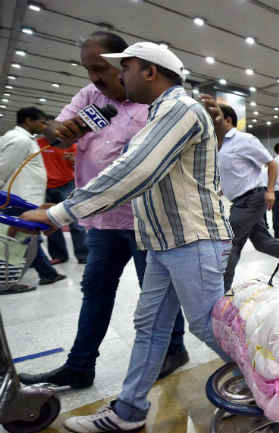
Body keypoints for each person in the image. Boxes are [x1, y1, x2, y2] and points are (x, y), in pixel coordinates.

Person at [19, 41, 233, 433]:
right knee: (150, 326)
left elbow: (135, 170)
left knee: (207, 325)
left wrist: (58, 213)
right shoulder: (159, 112)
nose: (120, 76)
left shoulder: (180, 109)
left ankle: (277, 384)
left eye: (127, 68)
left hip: (192, 238)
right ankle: (129, 410)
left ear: (149, 71)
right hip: (162, 241)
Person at [19, 32, 187, 390]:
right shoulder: (90, 97)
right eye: (88, 70)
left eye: (100, 68)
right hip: (102, 220)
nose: (94, 77)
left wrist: (59, 213)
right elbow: (58, 134)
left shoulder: (154, 102)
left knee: (154, 292)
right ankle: (80, 366)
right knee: (95, 289)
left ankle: (174, 349)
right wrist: (58, 129)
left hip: (146, 220)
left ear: (123, 64)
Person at [217, 105, 279, 292]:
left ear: (227, 120)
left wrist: (270, 191)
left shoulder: (244, 139)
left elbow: (271, 163)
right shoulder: (221, 145)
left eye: (214, 118)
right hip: (242, 200)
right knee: (261, 242)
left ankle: (221, 290)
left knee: (231, 243)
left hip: (250, 199)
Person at [0, 107, 66, 292]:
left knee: (25, 241)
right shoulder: (19, 140)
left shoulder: (25, 139)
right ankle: (7, 282)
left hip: (24, 199)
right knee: (16, 241)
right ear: (28, 120)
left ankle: (46, 273)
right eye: (41, 122)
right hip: (18, 199)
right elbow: (3, 168)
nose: (44, 126)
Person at [39, 136, 88, 264]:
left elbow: (81, 164)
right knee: (50, 221)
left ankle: (83, 255)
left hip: (66, 184)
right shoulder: (38, 144)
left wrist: (75, 160)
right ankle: (59, 255)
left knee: (75, 220)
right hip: (44, 186)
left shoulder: (68, 143)